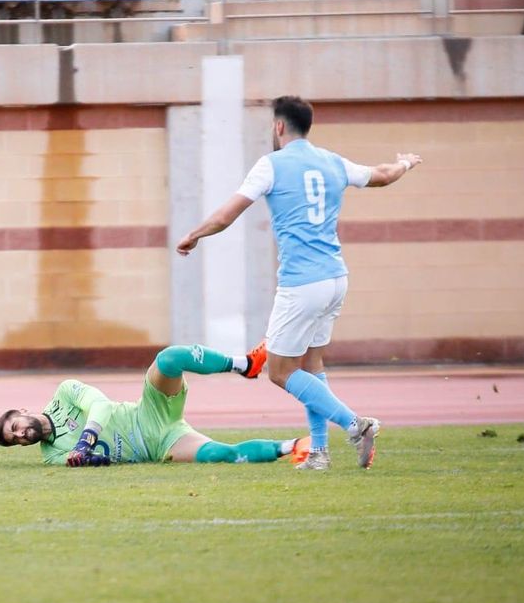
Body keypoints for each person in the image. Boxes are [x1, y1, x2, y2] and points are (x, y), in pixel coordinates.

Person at [175, 95, 421, 470]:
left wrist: (194, 234)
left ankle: (356, 424)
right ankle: (319, 454)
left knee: (279, 371)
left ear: (278, 127)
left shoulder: (271, 165)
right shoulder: (333, 161)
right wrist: (404, 162)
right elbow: (383, 175)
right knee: (310, 365)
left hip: (302, 284)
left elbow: (228, 214)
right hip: (336, 278)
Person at [0, 343, 307, 467]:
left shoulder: (64, 392)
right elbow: (94, 464)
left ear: (22, 411)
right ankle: (295, 446)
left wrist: (86, 441)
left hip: (148, 412)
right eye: (15, 440)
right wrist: (86, 460)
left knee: (169, 359)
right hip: (159, 445)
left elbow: (100, 404)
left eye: (15, 427)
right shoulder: (50, 455)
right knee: (220, 454)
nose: (20, 435)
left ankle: (244, 364)